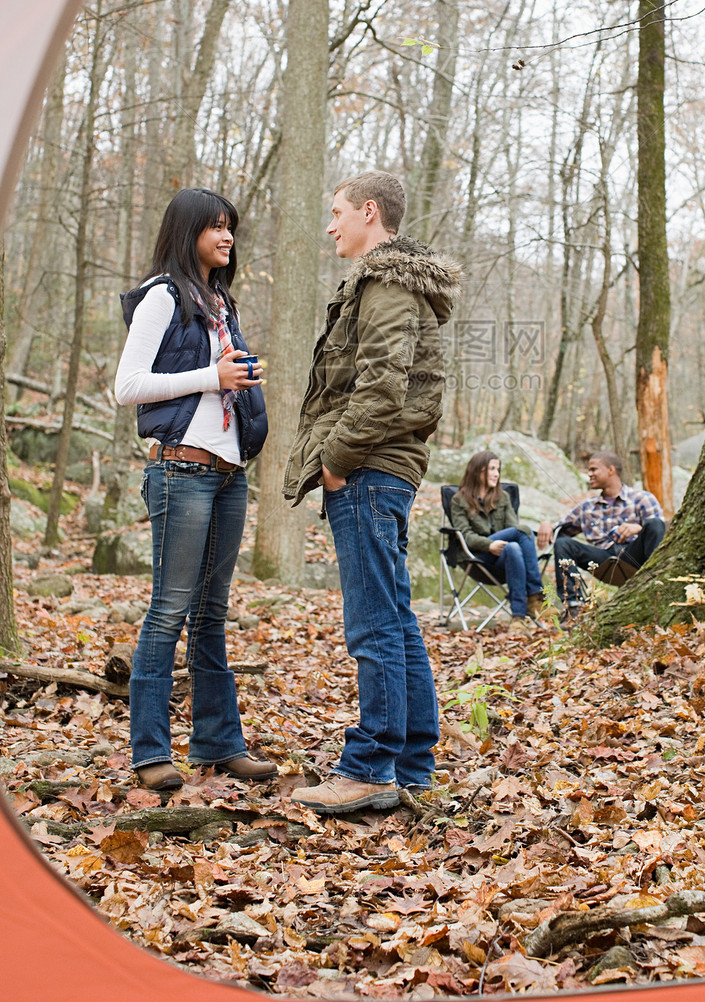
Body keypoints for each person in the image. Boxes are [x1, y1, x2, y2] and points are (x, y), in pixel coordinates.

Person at [284, 171, 461, 815]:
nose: (330, 226)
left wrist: (335, 461)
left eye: (336, 213)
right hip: (381, 469)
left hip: (367, 470)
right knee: (395, 618)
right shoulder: (391, 283)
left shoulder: (384, 284)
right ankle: (413, 763)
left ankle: (369, 767)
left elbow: (381, 386)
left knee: (373, 624)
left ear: (368, 212)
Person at [115, 187, 274, 792]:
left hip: (228, 475)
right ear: (188, 233)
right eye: (215, 227)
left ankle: (218, 743)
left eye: (230, 227)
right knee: (168, 612)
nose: (227, 237)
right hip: (180, 471)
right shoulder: (162, 295)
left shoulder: (220, 303)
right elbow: (128, 386)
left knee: (211, 615)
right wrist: (214, 375)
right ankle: (150, 751)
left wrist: (240, 378)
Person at [547, 451, 665, 609]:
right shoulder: (586, 507)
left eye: (594, 469)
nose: (589, 474)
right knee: (563, 543)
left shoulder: (642, 498)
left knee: (655, 523)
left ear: (611, 470)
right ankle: (573, 605)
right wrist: (547, 524)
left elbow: (660, 531)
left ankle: (657, 584)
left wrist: (638, 528)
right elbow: (558, 530)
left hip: (635, 555)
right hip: (602, 559)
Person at [449, 451, 545, 632]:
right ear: (477, 471)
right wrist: (489, 545)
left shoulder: (503, 498)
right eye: (491, 469)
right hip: (477, 556)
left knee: (515, 546)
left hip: (504, 556)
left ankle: (518, 618)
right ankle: (534, 596)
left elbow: (512, 530)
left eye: (498, 469)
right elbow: (466, 536)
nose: (496, 474)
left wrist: (501, 543)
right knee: (522, 531)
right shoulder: (459, 500)